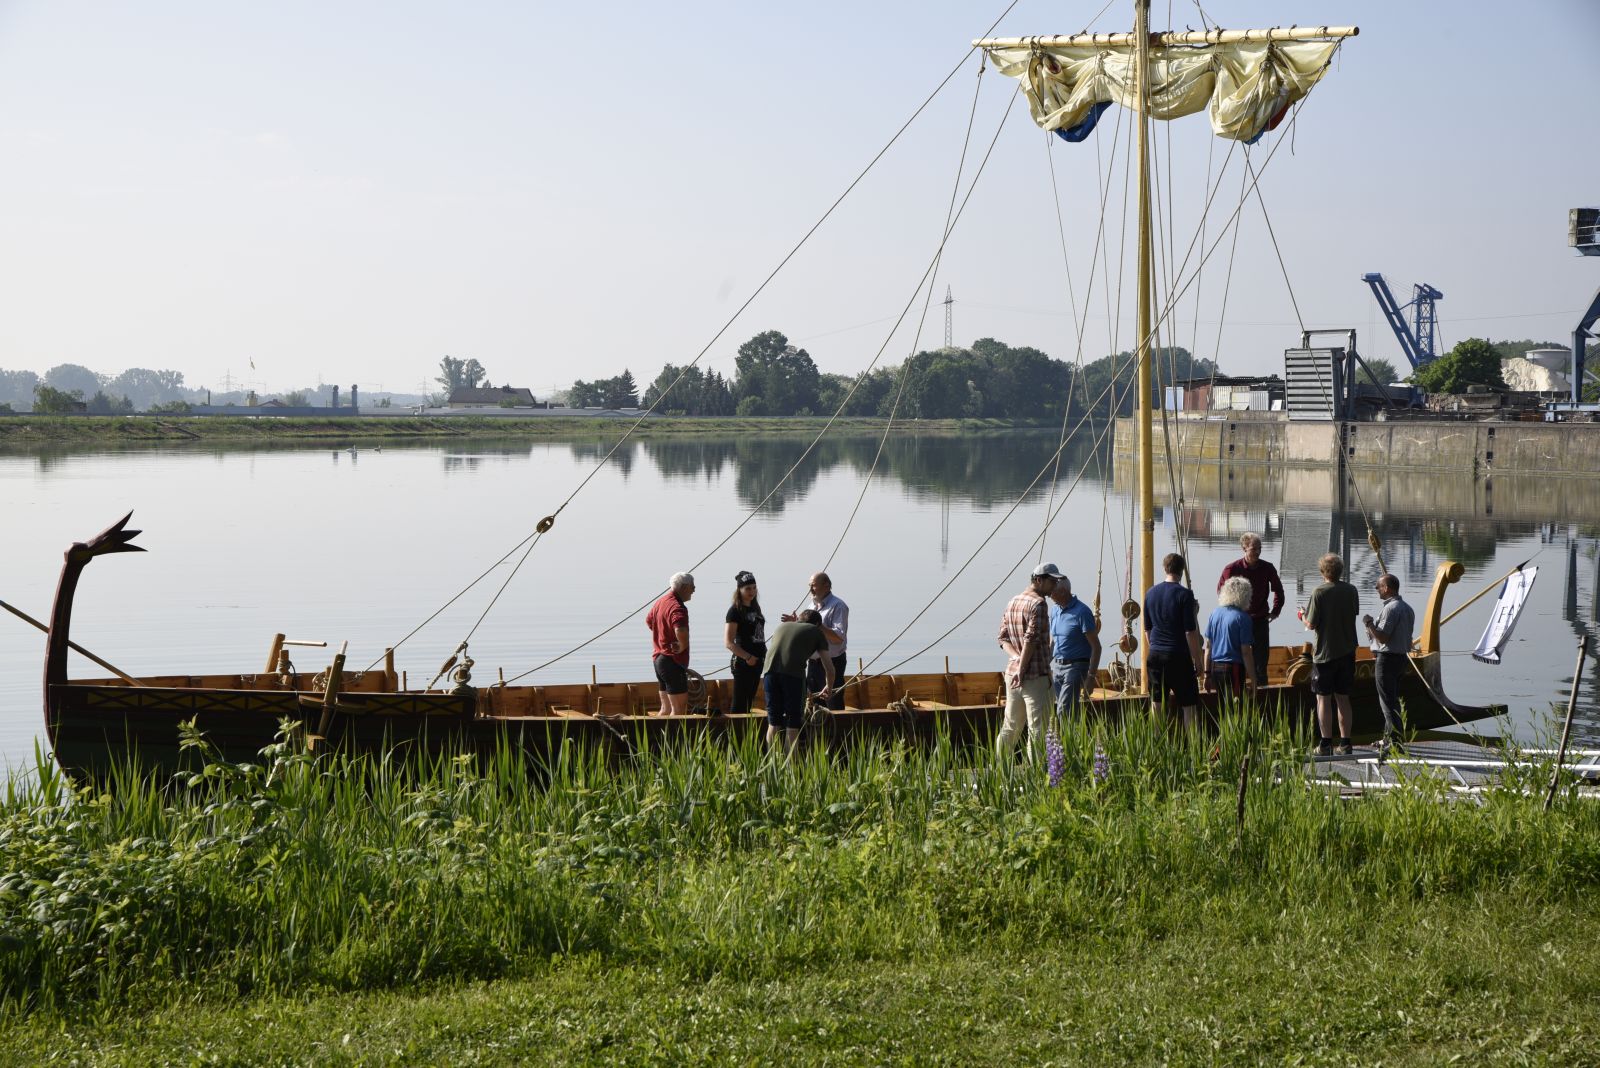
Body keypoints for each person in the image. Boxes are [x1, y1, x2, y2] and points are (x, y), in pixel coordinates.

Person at [996, 562, 1062, 757]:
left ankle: (1000, 769)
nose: (1055, 586)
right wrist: (1022, 668)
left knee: (1011, 726)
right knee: (1038, 730)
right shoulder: (1039, 604)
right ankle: (1038, 775)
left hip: (1012, 675)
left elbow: (1002, 638)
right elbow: (1031, 640)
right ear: (1039, 580)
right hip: (1034, 677)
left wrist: (1016, 659)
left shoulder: (1013, 601)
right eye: (1052, 581)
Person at [1303, 552, 1360, 755]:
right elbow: (1353, 613)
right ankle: (1345, 743)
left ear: (1322, 571)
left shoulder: (1319, 592)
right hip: (1347, 651)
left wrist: (1302, 615)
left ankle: (1326, 744)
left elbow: (1311, 624)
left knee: (1323, 699)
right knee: (1343, 698)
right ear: (1340, 570)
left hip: (1324, 654)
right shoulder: (1352, 590)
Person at [1216, 532, 1285, 689]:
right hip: (1238, 620)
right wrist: (1229, 614)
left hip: (1260, 619)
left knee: (1261, 659)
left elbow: (1278, 590)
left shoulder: (1267, 568)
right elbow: (1221, 592)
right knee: (1237, 656)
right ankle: (1238, 687)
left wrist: (1276, 610)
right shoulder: (1232, 568)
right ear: (1244, 548)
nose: (1257, 552)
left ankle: (1261, 688)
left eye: (1259, 549)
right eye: (1254, 549)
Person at [761, 608, 833, 753]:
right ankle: (791, 768)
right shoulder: (816, 631)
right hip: (792, 676)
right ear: (818, 624)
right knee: (792, 722)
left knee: (773, 722)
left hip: (768, 674)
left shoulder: (782, 626)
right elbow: (829, 668)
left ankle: (771, 766)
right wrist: (829, 688)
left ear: (799, 619)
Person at [1143, 553, 1202, 728]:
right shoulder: (1185, 595)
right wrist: (1197, 660)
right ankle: (1193, 749)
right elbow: (1190, 632)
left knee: (1157, 704)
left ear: (1164, 568)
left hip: (1155, 655)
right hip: (1178, 656)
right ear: (1182, 571)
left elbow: (1147, 629)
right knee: (1188, 706)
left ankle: (1155, 746)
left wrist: (1154, 647)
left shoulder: (1150, 593)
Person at [782, 572, 848, 711]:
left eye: (814, 585)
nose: (810, 589)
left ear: (827, 586)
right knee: (813, 703)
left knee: (833, 702)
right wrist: (796, 623)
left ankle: (837, 731)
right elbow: (807, 628)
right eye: (809, 585)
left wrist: (819, 626)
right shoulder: (811, 605)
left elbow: (839, 637)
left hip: (833, 662)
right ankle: (816, 731)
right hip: (813, 663)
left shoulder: (838, 606)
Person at [1363, 573, 1415, 749]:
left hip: (1387, 659)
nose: (1377, 589)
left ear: (1387, 588)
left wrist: (1369, 623)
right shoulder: (1408, 608)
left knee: (1387, 702)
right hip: (1401, 659)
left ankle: (1395, 743)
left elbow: (1383, 638)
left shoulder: (1390, 609)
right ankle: (1389, 739)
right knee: (1391, 699)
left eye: (1378, 586)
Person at [1047, 576, 1100, 716]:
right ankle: (1072, 737)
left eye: (1053, 591)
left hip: (1075, 667)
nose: (1049, 594)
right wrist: (1045, 665)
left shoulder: (1082, 612)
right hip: (1057, 667)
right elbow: (1053, 642)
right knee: (1066, 709)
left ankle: (1063, 737)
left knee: (1063, 710)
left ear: (1064, 591)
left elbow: (1096, 647)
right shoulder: (1054, 610)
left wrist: (1091, 676)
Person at [1203, 576, 1258, 704]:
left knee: (1222, 709)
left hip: (1215, 667)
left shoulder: (1214, 613)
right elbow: (1246, 652)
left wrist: (1207, 674)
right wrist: (1254, 680)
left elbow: (1208, 647)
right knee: (1235, 710)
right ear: (1245, 595)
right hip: (1233, 668)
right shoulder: (1243, 618)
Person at [646, 572, 694, 716]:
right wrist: (682, 645)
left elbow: (649, 620)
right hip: (672, 661)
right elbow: (681, 629)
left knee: (665, 709)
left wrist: (662, 634)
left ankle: (660, 738)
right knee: (678, 710)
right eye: (692, 586)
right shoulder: (677, 607)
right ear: (684, 587)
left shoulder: (661, 601)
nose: (694, 590)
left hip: (659, 660)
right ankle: (676, 738)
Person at [723, 571, 767, 715]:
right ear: (739, 590)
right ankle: (735, 735)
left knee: (749, 702)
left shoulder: (756, 608)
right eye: (747, 588)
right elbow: (729, 642)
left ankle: (746, 736)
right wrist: (747, 657)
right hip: (743, 662)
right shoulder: (735, 611)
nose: (752, 591)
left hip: (758, 661)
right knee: (739, 704)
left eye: (754, 587)